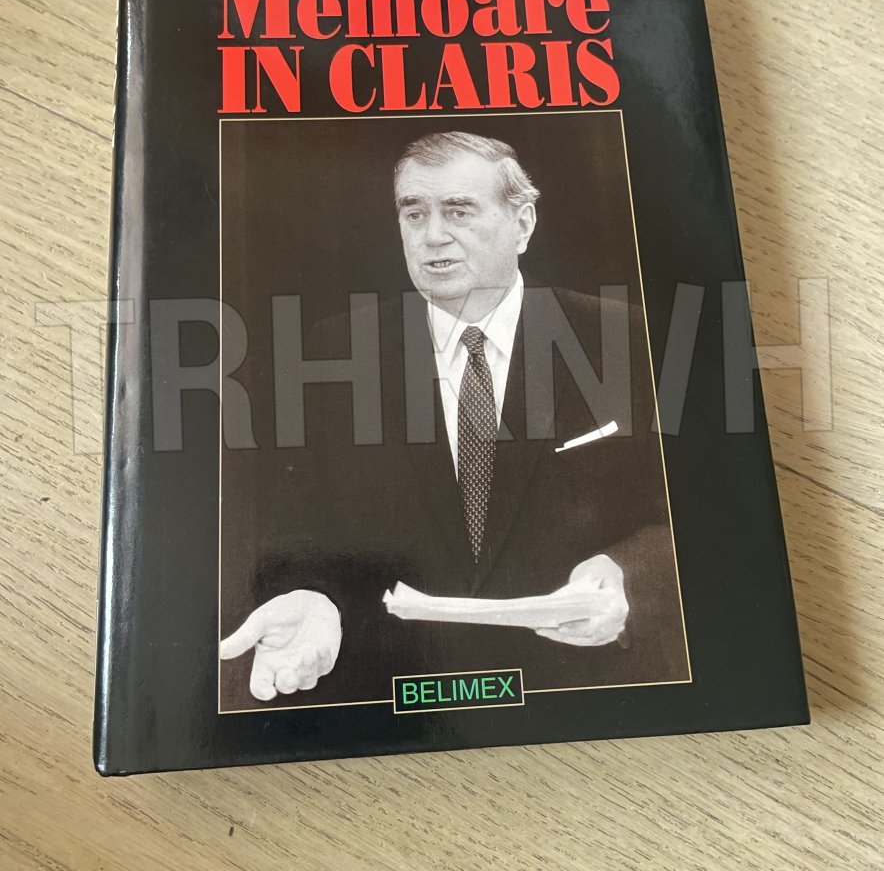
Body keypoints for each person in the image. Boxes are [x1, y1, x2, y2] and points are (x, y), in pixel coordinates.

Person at [220, 131, 688, 705]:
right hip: (404, 692)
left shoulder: (627, 339)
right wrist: (309, 596)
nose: (433, 235)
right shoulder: (337, 348)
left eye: (459, 210)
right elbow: (301, 524)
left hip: (586, 690)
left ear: (522, 224)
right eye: (414, 213)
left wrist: (629, 577)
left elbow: (692, 517)